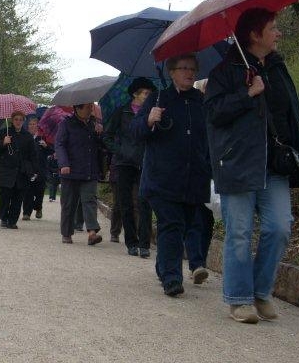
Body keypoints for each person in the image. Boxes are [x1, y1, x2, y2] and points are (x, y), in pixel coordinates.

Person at [204, 8, 299, 323]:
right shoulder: (224, 72)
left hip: (274, 164)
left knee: (279, 227)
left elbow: (291, 115)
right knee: (239, 232)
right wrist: (247, 93)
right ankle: (239, 300)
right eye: (273, 28)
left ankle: (261, 291)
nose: (278, 33)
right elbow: (214, 114)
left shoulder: (277, 67)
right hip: (238, 162)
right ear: (254, 34)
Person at [131, 54, 211, 297]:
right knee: (171, 224)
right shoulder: (158, 99)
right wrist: (148, 120)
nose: (189, 72)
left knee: (184, 225)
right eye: (183, 68)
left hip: (193, 178)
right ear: (172, 72)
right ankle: (172, 278)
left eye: (193, 69)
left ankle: (163, 266)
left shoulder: (201, 101)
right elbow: (135, 132)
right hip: (162, 177)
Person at [103, 77, 156, 258]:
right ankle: (131, 242)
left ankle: (145, 244)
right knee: (125, 203)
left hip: (145, 161)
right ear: (135, 94)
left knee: (144, 203)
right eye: (145, 93)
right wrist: (120, 150)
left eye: (150, 94)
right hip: (124, 163)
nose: (148, 96)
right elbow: (107, 136)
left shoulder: (152, 113)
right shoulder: (122, 112)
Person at [55, 102, 103, 245]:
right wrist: (64, 164)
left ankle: (92, 232)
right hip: (70, 170)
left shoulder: (94, 124)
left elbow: (101, 146)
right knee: (69, 203)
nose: (91, 109)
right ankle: (67, 233)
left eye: (91, 107)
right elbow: (60, 144)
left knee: (89, 200)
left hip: (89, 169)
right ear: (77, 108)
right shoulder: (66, 124)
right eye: (88, 107)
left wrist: (100, 133)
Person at [184, 78, 215, 281]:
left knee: (207, 222)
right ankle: (196, 263)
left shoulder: (219, 110)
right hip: (194, 172)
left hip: (213, 173)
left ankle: (200, 261)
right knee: (195, 220)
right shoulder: (194, 109)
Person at [0, 111, 38, 229]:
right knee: (5, 196)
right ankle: (4, 218)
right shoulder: (4, 132)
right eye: (16, 119)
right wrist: (3, 142)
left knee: (18, 198)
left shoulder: (28, 136)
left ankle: (12, 221)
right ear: (12, 120)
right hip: (6, 170)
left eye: (20, 120)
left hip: (22, 172)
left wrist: (34, 170)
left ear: (23, 121)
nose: (18, 122)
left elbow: (33, 155)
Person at [22, 116, 50, 220]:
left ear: (38, 126)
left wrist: (46, 146)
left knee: (39, 191)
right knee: (27, 191)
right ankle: (26, 213)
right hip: (28, 169)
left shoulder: (43, 137)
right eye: (30, 124)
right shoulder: (25, 137)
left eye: (34, 124)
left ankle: (38, 208)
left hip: (41, 169)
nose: (32, 126)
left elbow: (52, 151)